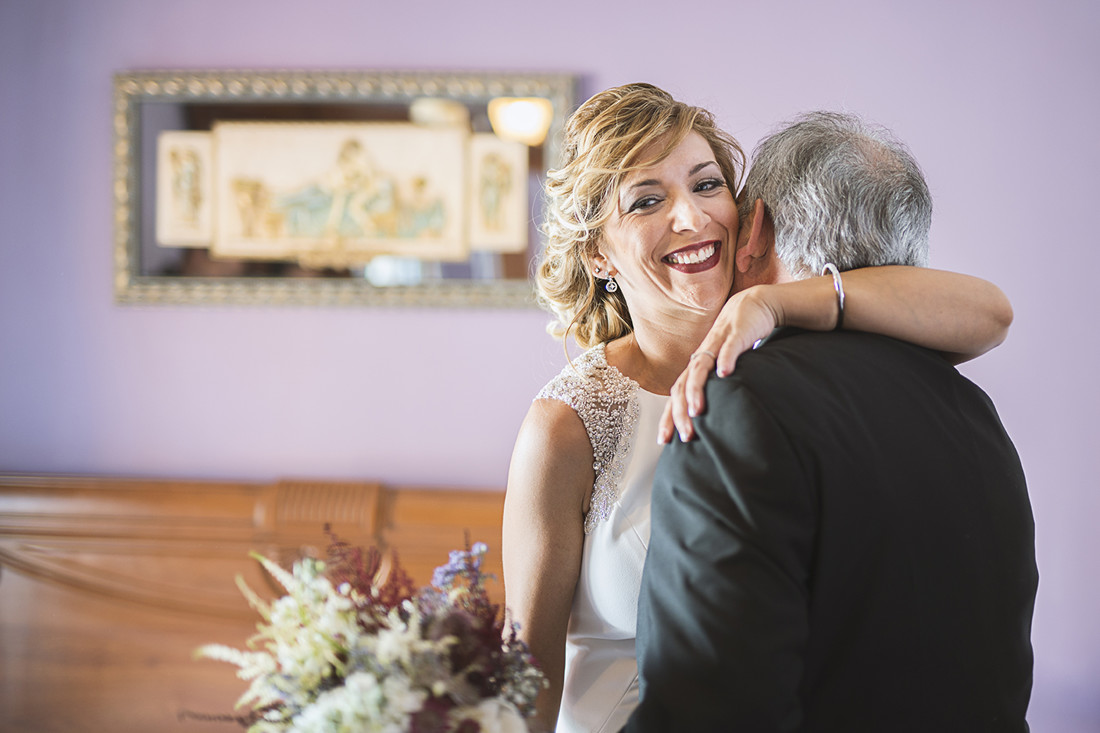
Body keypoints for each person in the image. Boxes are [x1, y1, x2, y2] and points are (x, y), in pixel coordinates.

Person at [502, 84, 1015, 733]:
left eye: (708, 184)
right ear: (598, 251)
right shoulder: (568, 423)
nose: (692, 218)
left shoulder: (785, 364)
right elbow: (528, 672)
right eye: (648, 200)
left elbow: (989, 312)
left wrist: (776, 303)